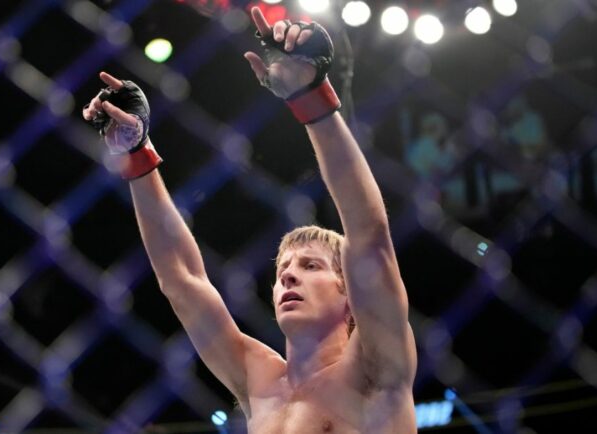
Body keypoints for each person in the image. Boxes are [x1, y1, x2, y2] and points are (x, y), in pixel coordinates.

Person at [82, 7, 416, 433]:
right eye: (282, 271)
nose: (289, 279)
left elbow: (369, 235)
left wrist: (312, 99)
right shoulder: (261, 381)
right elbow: (182, 280)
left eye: (310, 265)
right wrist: (136, 156)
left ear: (349, 292)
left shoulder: (373, 369)